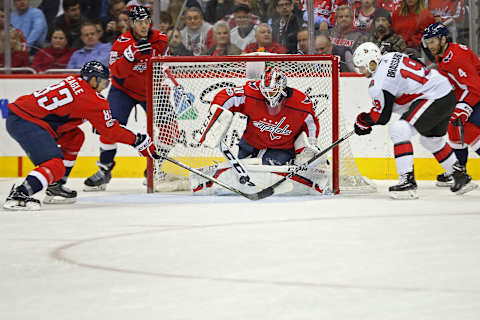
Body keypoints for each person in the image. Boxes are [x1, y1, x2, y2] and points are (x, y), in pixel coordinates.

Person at [3, 61, 161, 211]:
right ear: (93, 80)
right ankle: (19, 195)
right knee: (55, 165)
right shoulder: (92, 99)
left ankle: (55, 187)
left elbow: (69, 112)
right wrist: (138, 140)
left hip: (24, 117)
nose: (104, 87)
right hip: (27, 122)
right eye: (103, 82)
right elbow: (110, 131)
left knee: (75, 136)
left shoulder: (74, 80)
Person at [352, 42, 475, 199]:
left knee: (399, 129)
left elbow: (383, 117)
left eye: (362, 67)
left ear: (372, 63)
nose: (361, 72)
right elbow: (417, 62)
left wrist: (363, 121)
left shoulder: (379, 83)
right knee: (431, 141)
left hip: (433, 96)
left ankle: (407, 181)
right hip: (445, 92)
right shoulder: (391, 56)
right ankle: (459, 175)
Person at [83, 6, 169, 191]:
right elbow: (116, 73)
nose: (144, 26)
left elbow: (164, 60)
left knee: (170, 129)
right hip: (124, 91)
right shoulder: (122, 43)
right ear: (131, 23)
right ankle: (105, 169)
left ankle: (154, 168)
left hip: (153, 89)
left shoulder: (160, 39)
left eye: (147, 21)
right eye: (139, 22)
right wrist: (130, 56)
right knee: (108, 127)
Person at [199, 66, 320, 166]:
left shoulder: (301, 103)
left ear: (282, 88)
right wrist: (215, 114)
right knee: (244, 170)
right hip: (250, 144)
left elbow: (311, 123)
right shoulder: (252, 93)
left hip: (281, 149)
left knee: (264, 171)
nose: (268, 95)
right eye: (265, 91)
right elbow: (227, 95)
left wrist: (311, 144)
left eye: (272, 92)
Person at [422, 22, 480, 191]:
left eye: (433, 41)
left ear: (443, 39)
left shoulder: (455, 57)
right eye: (428, 42)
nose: (430, 46)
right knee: (453, 127)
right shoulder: (445, 54)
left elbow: (475, 86)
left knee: (468, 129)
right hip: (471, 94)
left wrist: (464, 108)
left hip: (476, 94)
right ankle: (458, 170)